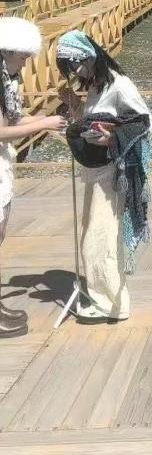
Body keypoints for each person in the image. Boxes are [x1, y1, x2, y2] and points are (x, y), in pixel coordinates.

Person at [56, 31, 152, 324]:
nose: (74, 72)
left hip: (112, 172)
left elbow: (144, 123)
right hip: (95, 170)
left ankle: (110, 304)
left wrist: (111, 138)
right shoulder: (97, 87)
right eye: (69, 68)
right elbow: (91, 119)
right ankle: (104, 296)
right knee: (93, 232)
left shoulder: (118, 84)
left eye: (75, 64)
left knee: (100, 236)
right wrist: (73, 104)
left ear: (90, 57)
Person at [0, 18, 67, 338]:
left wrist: (42, 118)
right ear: (7, 52)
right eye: (23, 56)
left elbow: (13, 120)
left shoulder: (6, 80)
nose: (27, 62)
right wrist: (44, 124)